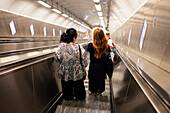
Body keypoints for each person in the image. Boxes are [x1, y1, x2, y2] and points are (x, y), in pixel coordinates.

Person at [54, 28, 88, 101]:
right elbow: (85, 60)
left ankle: (68, 99)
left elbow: (57, 58)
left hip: (65, 73)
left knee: (67, 93)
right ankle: (80, 102)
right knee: (80, 93)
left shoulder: (61, 47)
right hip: (77, 72)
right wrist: (83, 66)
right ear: (74, 38)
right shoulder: (79, 47)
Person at [87, 28, 113, 95]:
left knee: (92, 82)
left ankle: (93, 93)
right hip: (102, 68)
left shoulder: (90, 46)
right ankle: (99, 92)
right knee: (101, 82)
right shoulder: (106, 46)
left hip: (93, 67)